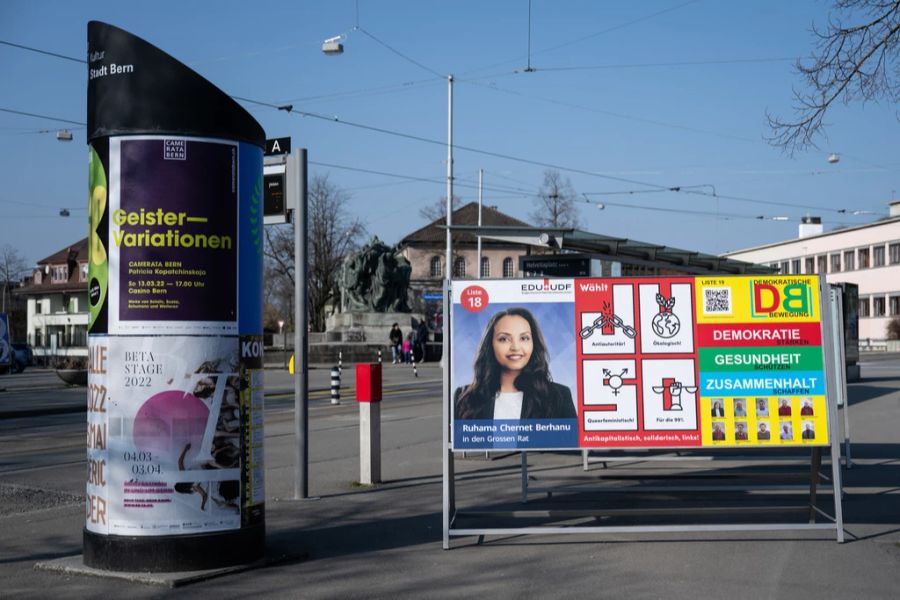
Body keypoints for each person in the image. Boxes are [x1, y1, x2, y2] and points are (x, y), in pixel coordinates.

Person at [454, 307, 576, 420]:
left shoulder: (559, 396)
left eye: (524, 338)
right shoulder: (464, 398)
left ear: (534, 344)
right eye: (504, 339)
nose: (515, 347)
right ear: (490, 345)